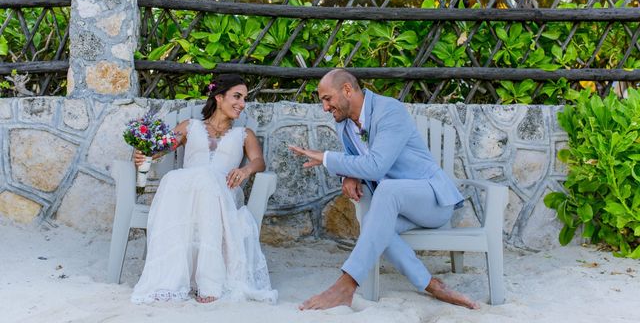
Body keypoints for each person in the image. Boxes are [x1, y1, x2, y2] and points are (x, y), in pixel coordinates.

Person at [289, 69, 479, 310]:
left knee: (386, 190)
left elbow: (377, 166)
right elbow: (357, 160)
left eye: (328, 99)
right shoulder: (344, 125)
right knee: (373, 225)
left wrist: (326, 157)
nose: (325, 108)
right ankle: (432, 284)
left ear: (347, 89)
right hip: (397, 209)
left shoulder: (390, 111)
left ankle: (346, 285)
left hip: (432, 201)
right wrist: (350, 174)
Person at [131, 74, 277, 305]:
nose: (242, 104)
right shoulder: (190, 127)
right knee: (174, 178)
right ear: (219, 97)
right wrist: (143, 153)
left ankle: (210, 282)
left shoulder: (244, 134)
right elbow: (161, 148)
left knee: (209, 178)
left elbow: (259, 161)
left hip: (223, 193)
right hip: (187, 194)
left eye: (244, 98)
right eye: (237, 97)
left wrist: (245, 171)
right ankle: (172, 279)